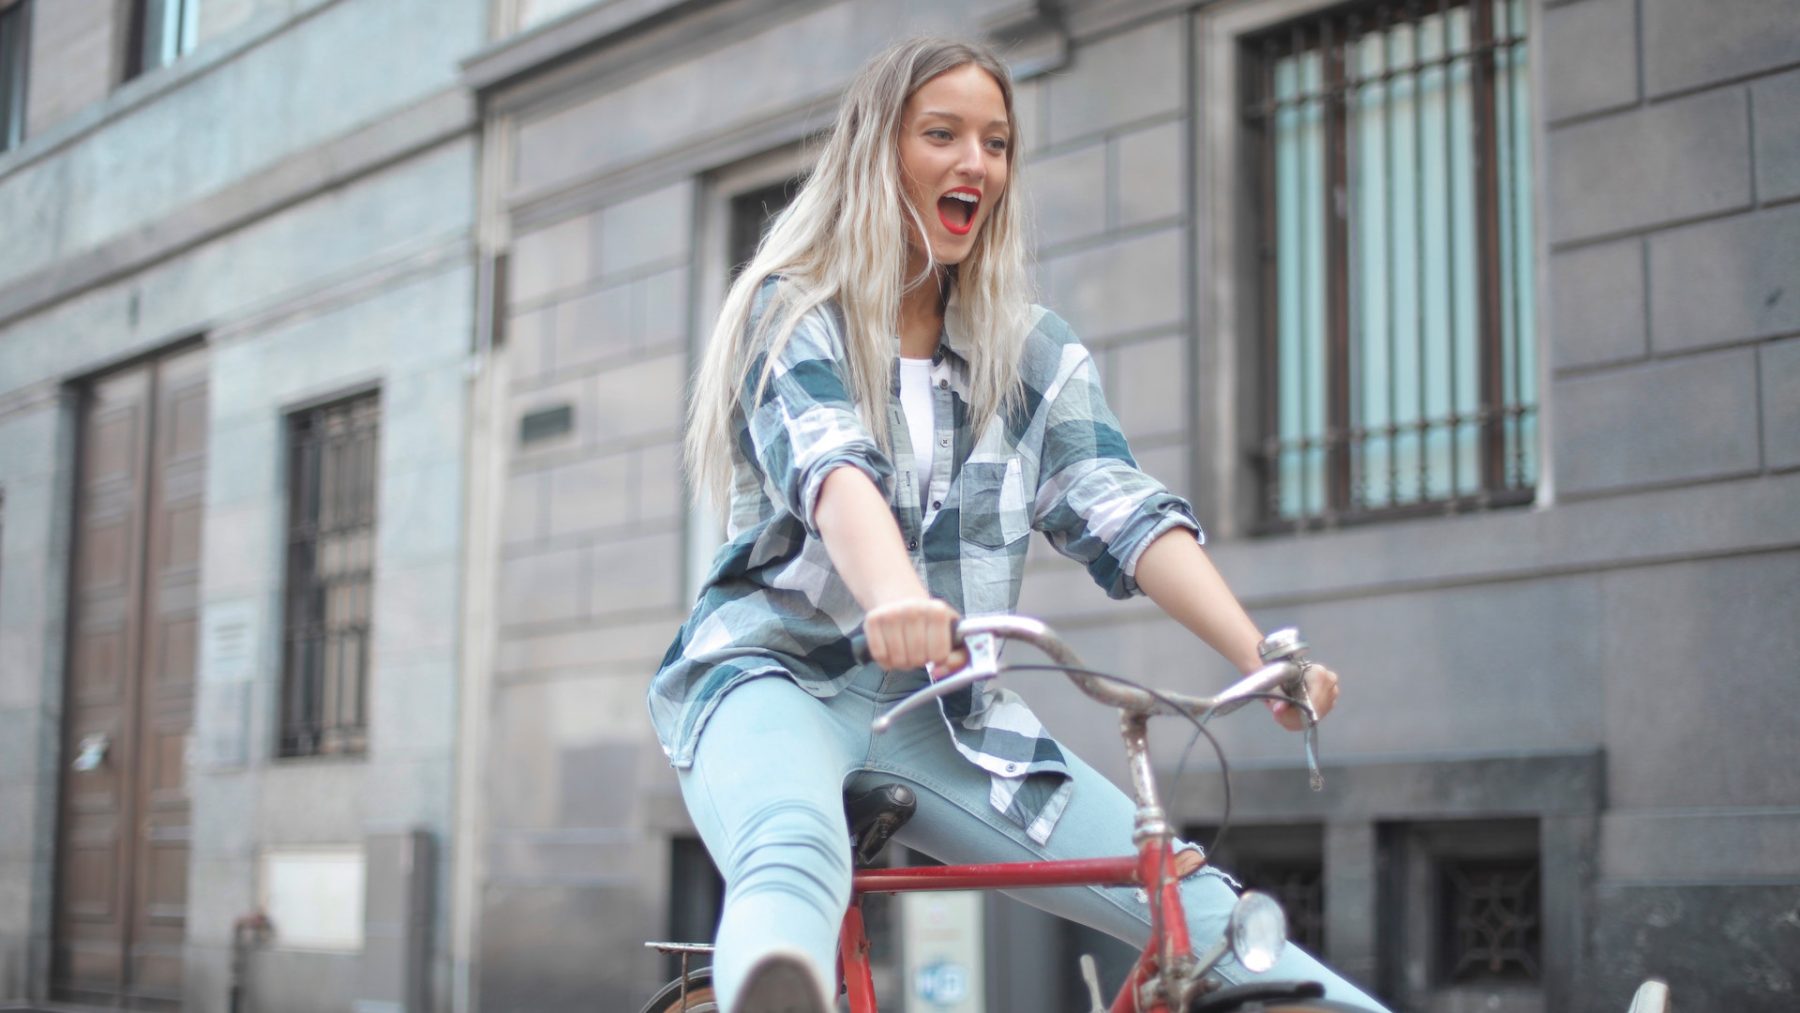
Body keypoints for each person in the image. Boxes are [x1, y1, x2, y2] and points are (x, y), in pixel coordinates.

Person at [648, 36, 1387, 1013]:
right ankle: (777, 995)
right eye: (943, 134)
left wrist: (1261, 656)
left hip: (951, 714)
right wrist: (897, 595)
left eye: (996, 143)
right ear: (879, 153)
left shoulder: (1030, 349)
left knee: (1198, 908)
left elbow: (1122, 507)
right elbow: (831, 467)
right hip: (774, 673)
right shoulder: (795, 312)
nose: (976, 163)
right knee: (789, 848)